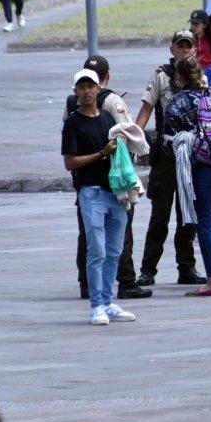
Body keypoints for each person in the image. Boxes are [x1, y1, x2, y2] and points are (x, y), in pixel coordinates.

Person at [66, 56, 150, 301]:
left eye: (89, 86)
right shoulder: (112, 101)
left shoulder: (73, 105)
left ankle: (89, 286)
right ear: (108, 77)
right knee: (113, 238)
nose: (86, 91)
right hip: (109, 182)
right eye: (82, 87)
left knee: (95, 239)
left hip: (88, 182)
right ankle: (123, 283)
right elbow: (131, 135)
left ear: (96, 85)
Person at [162, 56, 211, 297]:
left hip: (202, 168)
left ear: (179, 77)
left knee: (205, 222)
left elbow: (167, 143)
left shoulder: (177, 103)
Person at [134, 31, 203, 287]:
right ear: (172, 49)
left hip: (191, 157)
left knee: (188, 214)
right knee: (159, 216)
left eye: (188, 46)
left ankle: (187, 268)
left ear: (194, 50)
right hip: (165, 157)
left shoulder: (200, 77)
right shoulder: (161, 75)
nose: (184, 50)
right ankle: (148, 270)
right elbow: (145, 111)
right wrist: (132, 140)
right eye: (180, 46)